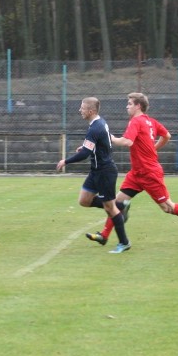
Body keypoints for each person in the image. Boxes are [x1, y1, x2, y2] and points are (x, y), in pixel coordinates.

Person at [87, 92, 178, 244]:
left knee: (168, 207)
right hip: (137, 173)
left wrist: (109, 138)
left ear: (138, 106)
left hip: (149, 173)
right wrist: (154, 148)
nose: (127, 106)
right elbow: (167, 135)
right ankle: (104, 235)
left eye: (130, 104)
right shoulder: (150, 122)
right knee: (117, 203)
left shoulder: (136, 121)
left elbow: (127, 142)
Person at [56, 97, 131, 254]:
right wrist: (85, 148)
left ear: (90, 111)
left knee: (109, 208)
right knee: (84, 200)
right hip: (96, 171)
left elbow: (85, 154)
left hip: (105, 172)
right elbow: (98, 145)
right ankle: (120, 206)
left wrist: (66, 161)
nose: (80, 110)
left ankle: (124, 242)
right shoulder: (99, 123)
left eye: (82, 108)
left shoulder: (95, 128)